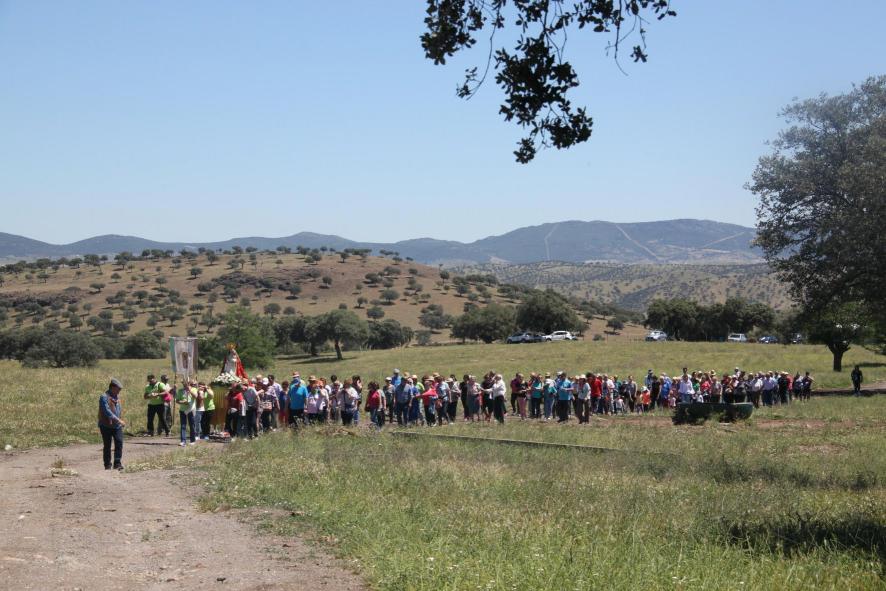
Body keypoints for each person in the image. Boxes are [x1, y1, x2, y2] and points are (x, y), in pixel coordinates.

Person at [98, 378, 126, 470]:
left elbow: (118, 410)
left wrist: (119, 420)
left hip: (117, 426)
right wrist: (119, 420)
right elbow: (107, 412)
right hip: (105, 425)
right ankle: (107, 465)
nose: (119, 391)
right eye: (118, 389)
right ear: (113, 387)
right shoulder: (104, 397)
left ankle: (117, 463)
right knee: (107, 445)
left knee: (119, 442)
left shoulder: (117, 397)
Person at [175, 380, 197, 446]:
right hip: (182, 410)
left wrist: (190, 391)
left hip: (191, 410)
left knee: (192, 425)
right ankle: (183, 441)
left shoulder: (194, 389)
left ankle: (192, 440)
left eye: (185, 383)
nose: (184, 384)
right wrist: (182, 402)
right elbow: (177, 400)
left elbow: (195, 396)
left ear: (188, 383)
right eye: (183, 383)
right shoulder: (180, 391)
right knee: (183, 425)